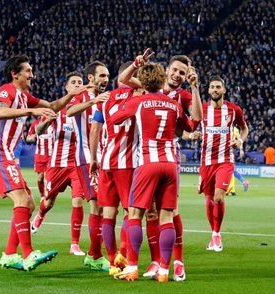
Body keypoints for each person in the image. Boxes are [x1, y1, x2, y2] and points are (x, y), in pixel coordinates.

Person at [0, 55, 91, 272]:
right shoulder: (7, 89)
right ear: (15, 74)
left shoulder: (25, 96)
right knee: (22, 200)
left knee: (30, 204)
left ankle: (10, 255)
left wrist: (70, 95)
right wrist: (31, 111)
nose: (32, 74)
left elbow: (52, 106)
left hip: (8, 155)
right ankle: (28, 254)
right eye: (28, 71)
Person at [111, 62, 193, 282]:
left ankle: (132, 267)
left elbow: (114, 119)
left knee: (136, 214)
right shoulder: (174, 104)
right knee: (167, 217)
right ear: (161, 79)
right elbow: (190, 126)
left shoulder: (138, 101)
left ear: (142, 82)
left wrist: (127, 104)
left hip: (147, 163)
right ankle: (164, 271)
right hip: (170, 164)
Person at [31, 63, 111, 272]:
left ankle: (87, 249)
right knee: (90, 205)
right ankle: (95, 255)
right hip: (79, 159)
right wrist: (93, 99)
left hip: (99, 158)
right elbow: (70, 110)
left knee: (98, 205)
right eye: (101, 76)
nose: (105, 79)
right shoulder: (79, 99)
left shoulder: (105, 99)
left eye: (107, 76)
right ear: (91, 78)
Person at [88, 62, 138, 276]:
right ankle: (123, 256)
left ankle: (111, 261)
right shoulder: (138, 96)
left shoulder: (105, 99)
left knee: (108, 214)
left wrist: (93, 158)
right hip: (128, 162)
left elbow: (94, 130)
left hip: (106, 160)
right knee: (131, 212)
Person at [194, 75, 248, 253]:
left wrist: (239, 140)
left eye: (218, 87)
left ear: (224, 90)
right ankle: (213, 234)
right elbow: (190, 125)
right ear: (208, 90)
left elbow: (244, 128)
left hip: (225, 159)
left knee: (218, 197)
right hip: (206, 161)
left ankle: (217, 234)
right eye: (212, 87)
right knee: (209, 199)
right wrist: (192, 134)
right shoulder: (202, 109)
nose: (215, 90)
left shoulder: (233, 110)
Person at [25, 113, 55, 203]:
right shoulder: (36, 123)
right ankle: (42, 195)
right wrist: (32, 138)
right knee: (40, 177)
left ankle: (47, 195)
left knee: (47, 176)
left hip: (51, 155)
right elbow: (28, 138)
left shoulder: (54, 123)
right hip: (40, 155)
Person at [225, 127, 250, 196]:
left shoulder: (234, 129)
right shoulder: (228, 127)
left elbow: (240, 139)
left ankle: (230, 190)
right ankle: (243, 181)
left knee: (230, 170)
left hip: (228, 152)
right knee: (231, 170)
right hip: (225, 151)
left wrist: (241, 149)